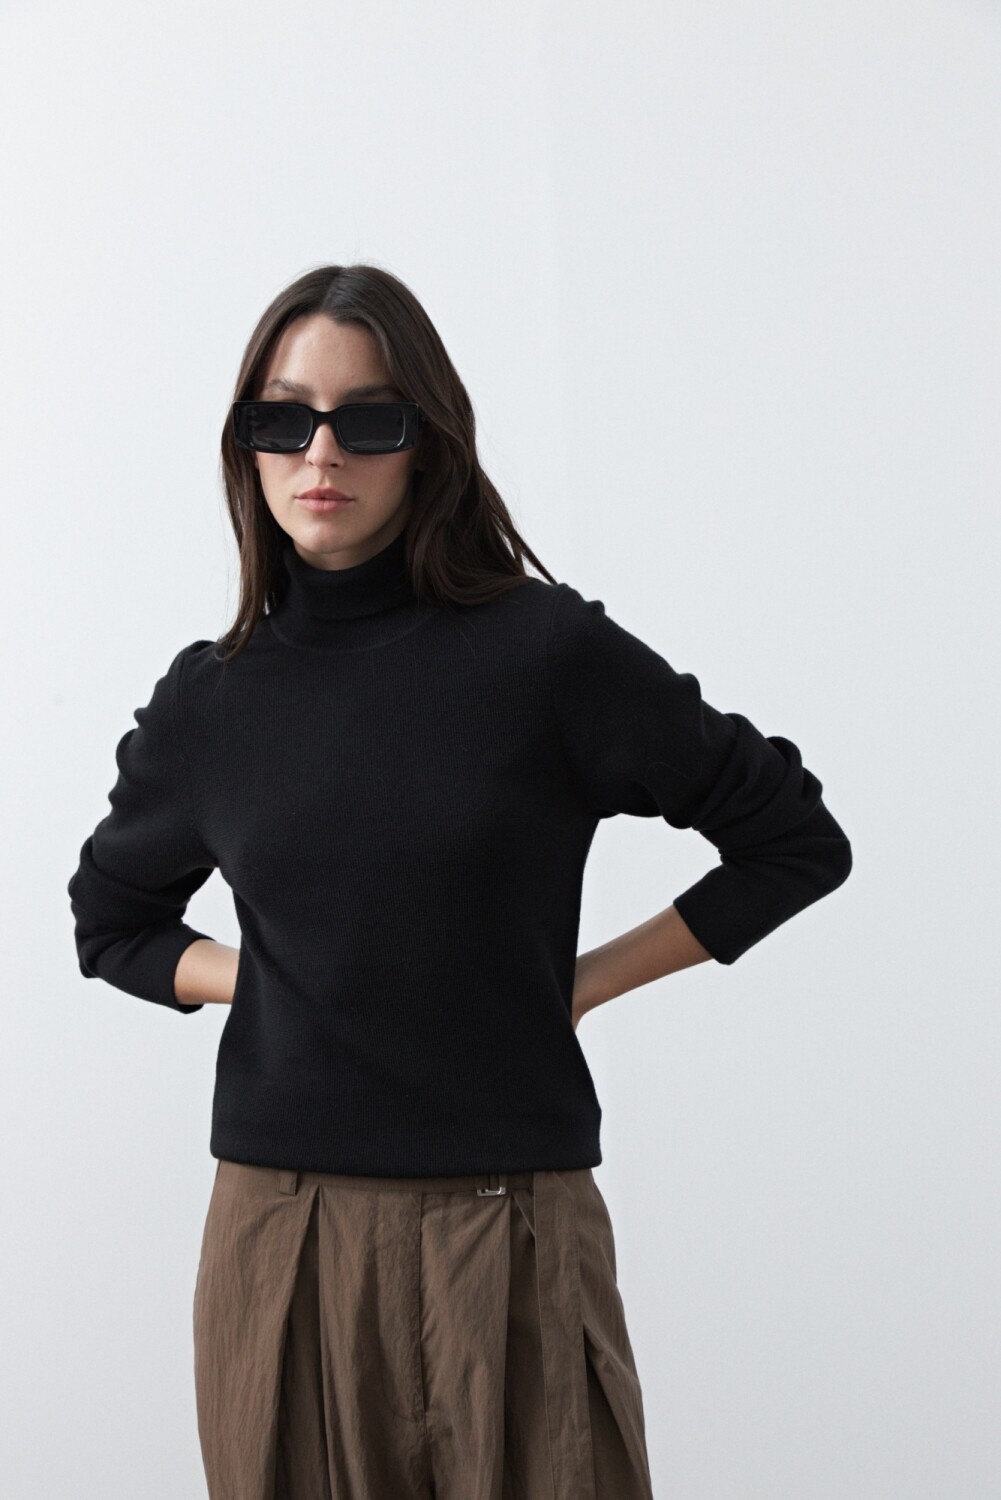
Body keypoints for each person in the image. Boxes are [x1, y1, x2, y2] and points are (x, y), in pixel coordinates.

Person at [66, 263, 853, 1500]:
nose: (320, 453)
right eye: (282, 419)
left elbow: (791, 840)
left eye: (366, 419)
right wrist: (274, 982)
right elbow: (110, 922)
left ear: (424, 441)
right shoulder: (212, 700)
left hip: (511, 1225)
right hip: (282, 1235)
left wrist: (576, 985)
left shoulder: (541, 655)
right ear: (245, 445)